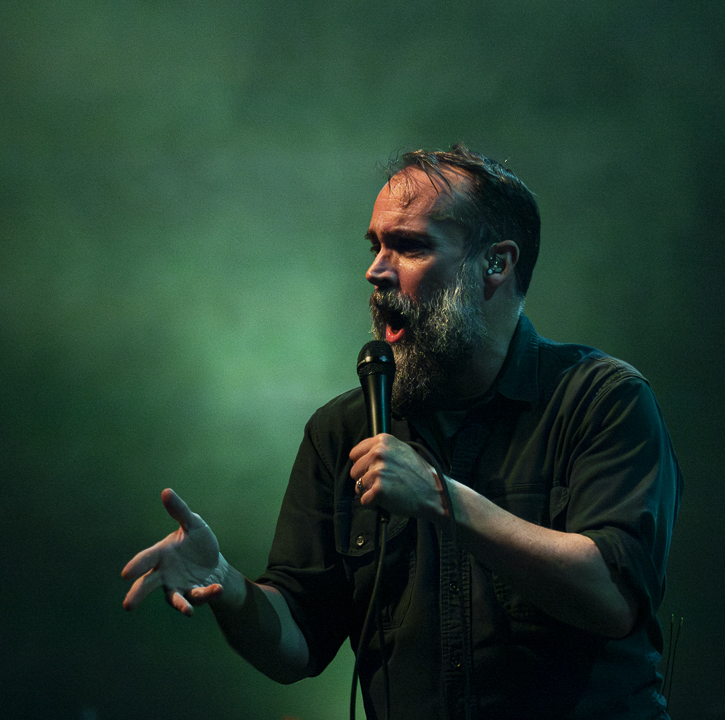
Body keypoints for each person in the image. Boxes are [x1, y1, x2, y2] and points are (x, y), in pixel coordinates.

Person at [122, 145, 683, 719]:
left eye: (410, 246)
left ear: (496, 264)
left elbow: (613, 597)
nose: (376, 270)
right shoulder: (342, 431)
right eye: (376, 246)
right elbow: (296, 642)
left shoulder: (600, 400)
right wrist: (228, 586)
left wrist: (442, 499)